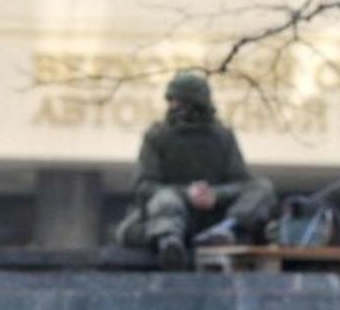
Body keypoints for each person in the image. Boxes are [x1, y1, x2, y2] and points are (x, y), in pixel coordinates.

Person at [116, 70, 278, 270]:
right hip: (167, 218)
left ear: (195, 104)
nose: (172, 107)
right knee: (165, 198)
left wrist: (215, 195)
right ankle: (170, 245)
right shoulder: (157, 135)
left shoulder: (222, 136)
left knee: (263, 188)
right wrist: (187, 194)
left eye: (177, 101)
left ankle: (226, 231)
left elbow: (242, 183)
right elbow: (143, 187)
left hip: (213, 218)